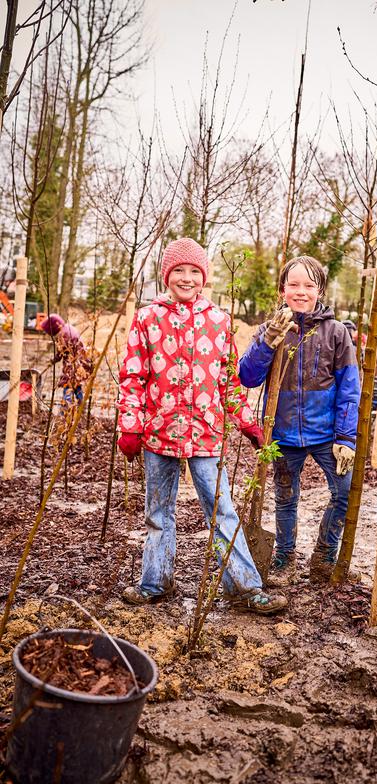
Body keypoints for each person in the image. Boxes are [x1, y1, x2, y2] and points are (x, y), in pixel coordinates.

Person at [117, 237, 287, 614]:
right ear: (166, 275)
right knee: (158, 512)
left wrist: (245, 421)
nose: (187, 277)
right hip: (159, 431)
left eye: (195, 271)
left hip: (206, 433)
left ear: (204, 276)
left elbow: (228, 379)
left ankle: (245, 586)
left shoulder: (219, 321)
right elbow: (133, 376)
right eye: (179, 270)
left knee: (221, 508)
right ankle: (155, 582)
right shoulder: (147, 318)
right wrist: (130, 424)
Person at [239, 255, 360, 585]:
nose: (301, 291)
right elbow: (247, 377)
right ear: (282, 290)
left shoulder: (336, 333)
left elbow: (350, 388)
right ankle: (285, 557)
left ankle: (324, 555)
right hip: (283, 433)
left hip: (326, 435)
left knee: (344, 493)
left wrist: (346, 438)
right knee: (285, 499)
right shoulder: (272, 330)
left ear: (320, 290)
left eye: (309, 285)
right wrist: (268, 342)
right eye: (293, 284)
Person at [41, 313, 92, 405]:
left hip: (74, 363)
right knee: (76, 384)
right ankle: (82, 405)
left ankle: (65, 408)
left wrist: (53, 361)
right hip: (81, 361)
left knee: (68, 384)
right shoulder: (68, 328)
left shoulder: (63, 335)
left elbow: (61, 352)